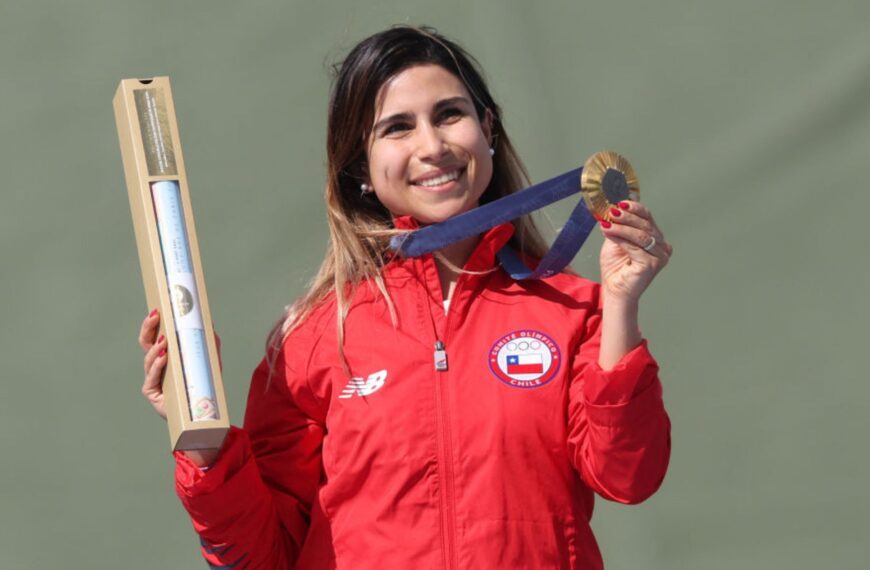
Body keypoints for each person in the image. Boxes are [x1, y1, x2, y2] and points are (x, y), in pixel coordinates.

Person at [138, 25, 673, 570]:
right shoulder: (315, 337)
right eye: (397, 128)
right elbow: (260, 556)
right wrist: (202, 444)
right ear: (360, 166)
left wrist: (621, 304)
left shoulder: (572, 309)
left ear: (488, 127)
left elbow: (628, 476)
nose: (432, 146)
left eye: (449, 115)